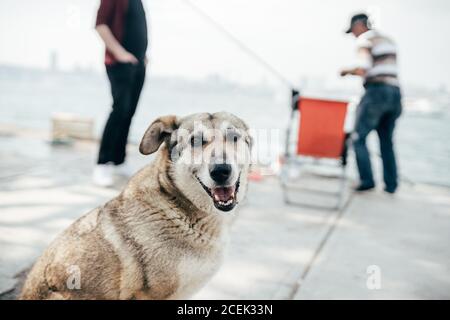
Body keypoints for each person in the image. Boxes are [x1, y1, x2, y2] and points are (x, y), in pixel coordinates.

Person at [341, 13, 402, 194]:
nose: (353, 35)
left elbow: (363, 68)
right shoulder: (388, 40)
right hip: (395, 93)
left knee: (358, 138)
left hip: (377, 92)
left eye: (353, 30)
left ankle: (367, 181)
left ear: (359, 25)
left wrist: (345, 71)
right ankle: (391, 185)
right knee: (386, 141)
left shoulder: (365, 40)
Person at [92, 0, 148, 187]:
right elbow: (100, 24)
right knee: (119, 110)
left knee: (129, 113)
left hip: (138, 64)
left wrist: (142, 55)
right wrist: (120, 53)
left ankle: (119, 160)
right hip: (120, 62)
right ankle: (102, 163)